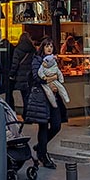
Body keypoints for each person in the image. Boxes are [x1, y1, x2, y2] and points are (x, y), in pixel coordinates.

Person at [27, 38, 67, 169]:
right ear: (42, 48)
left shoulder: (54, 60)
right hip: (42, 98)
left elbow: (58, 75)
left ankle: (40, 146)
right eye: (47, 46)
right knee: (43, 126)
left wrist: (55, 80)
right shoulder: (37, 60)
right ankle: (43, 154)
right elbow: (36, 77)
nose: (49, 48)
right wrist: (51, 80)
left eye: (51, 46)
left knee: (56, 125)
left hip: (54, 98)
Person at [9, 30, 36, 116]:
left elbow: (15, 64)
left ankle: (26, 114)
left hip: (21, 77)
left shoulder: (18, 49)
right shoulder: (33, 49)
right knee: (29, 96)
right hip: (30, 77)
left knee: (24, 97)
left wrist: (11, 74)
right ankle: (29, 114)